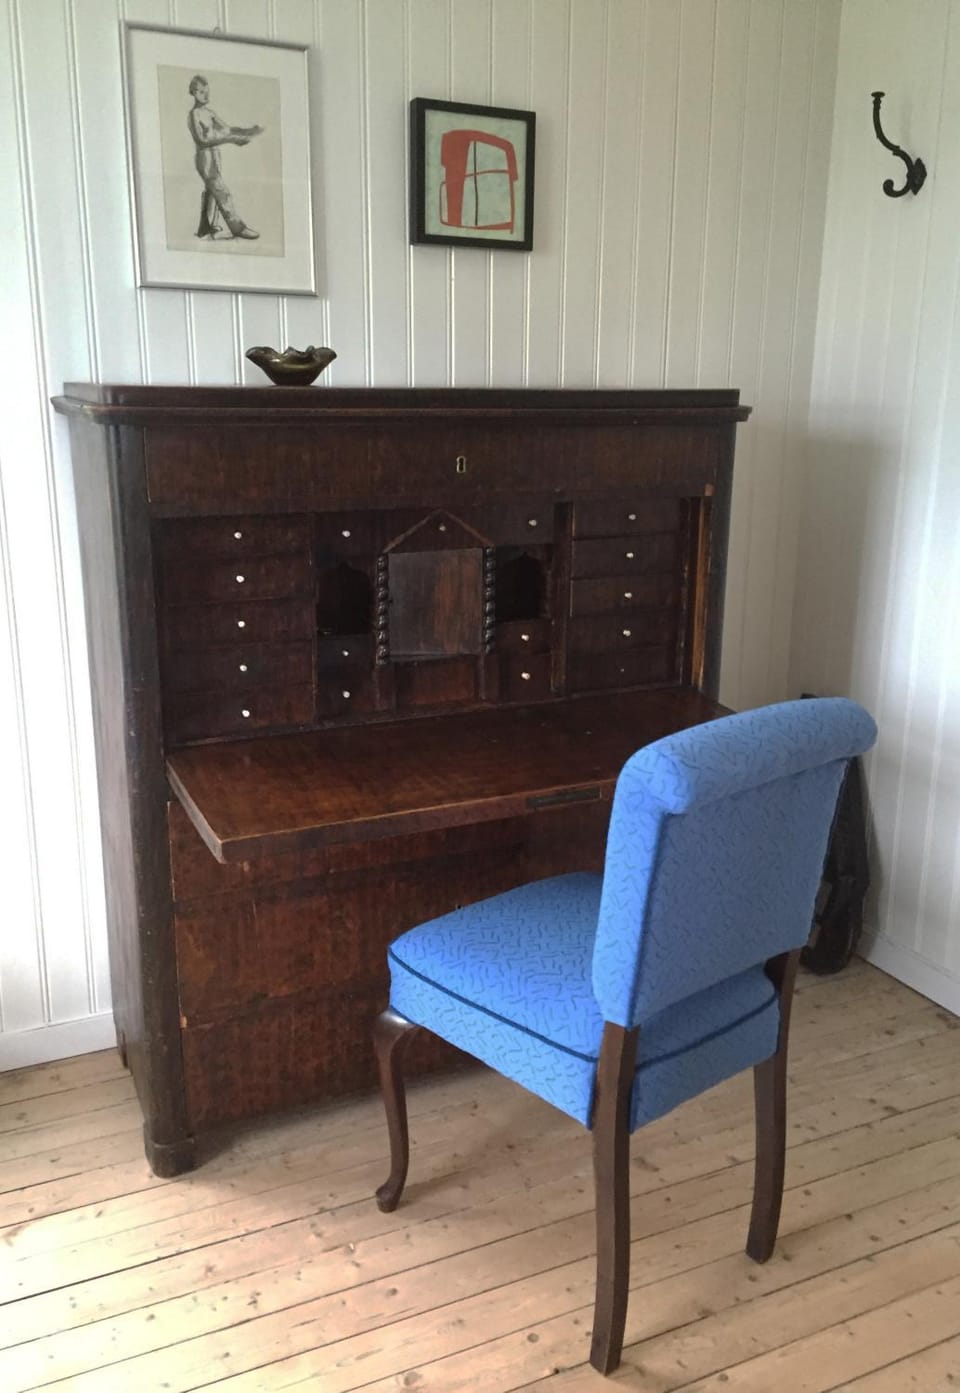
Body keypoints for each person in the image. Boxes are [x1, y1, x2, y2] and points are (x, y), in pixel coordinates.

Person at [188, 74, 263, 240]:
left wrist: (247, 131)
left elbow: (227, 129)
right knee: (222, 192)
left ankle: (205, 227)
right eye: (201, 92)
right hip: (204, 158)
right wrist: (230, 139)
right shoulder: (194, 115)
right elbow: (202, 140)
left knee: (212, 191)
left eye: (207, 91)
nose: (206, 95)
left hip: (215, 157)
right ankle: (238, 228)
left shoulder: (210, 113)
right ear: (193, 92)